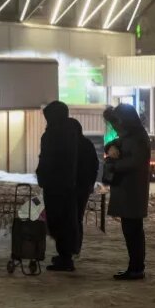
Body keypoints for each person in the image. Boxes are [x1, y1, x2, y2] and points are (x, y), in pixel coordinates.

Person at [103, 104, 150, 281]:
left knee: (133, 231)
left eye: (117, 123)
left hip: (133, 191)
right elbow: (111, 144)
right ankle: (135, 267)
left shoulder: (138, 137)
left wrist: (114, 165)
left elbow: (136, 161)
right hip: (127, 190)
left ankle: (136, 268)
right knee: (130, 230)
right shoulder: (128, 135)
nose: (116, 127)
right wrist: (110, 148)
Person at [36, 101, 79, 272]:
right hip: (66, 184)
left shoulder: (53, 135)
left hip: (55, 184)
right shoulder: (71, 133)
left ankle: (65, 257)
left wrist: (42, 174)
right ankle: (65, 254)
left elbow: (47, 159)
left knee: (58, 219)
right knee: (65, 219)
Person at [71, 118, 100, 257]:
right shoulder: (87, 144)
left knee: (72, 218)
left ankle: (72, 248)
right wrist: (90, 184)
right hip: (84, 186)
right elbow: (95, 165)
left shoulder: (72, 144)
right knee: (77, 217)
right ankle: (76, 247)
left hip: (74, 186)